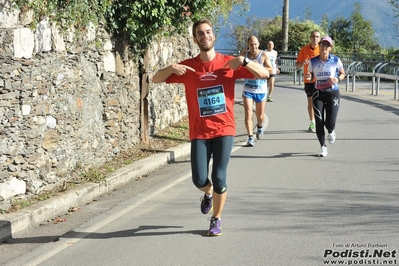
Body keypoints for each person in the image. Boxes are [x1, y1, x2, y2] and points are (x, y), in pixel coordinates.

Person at [152, 19, 269, 236]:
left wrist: (243, 61)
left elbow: (263, 74)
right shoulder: (188, 68)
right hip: (199, 131)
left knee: (220, 176)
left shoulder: (229, 63)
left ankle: (216, 218)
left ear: (213, 36)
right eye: (200, 33)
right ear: (195, 39)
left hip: (225, 129)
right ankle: (208, 194)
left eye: (208, 32)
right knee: (199, 179)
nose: (205, 35)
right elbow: (156, 79)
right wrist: (171, 68)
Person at [306, 36, 345, 157]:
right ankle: (323, 146)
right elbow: (310, 74)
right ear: (320, 46)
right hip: (318, 93)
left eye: (327, 45)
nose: (324, 47)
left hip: (333, 93)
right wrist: (309, 76)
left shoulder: (336, 60)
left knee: (330, 122)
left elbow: (343, 73)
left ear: (330, 47)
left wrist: (337, 79)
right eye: (322, 45)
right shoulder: (313, 61)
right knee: (319, 121)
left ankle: (331, 130)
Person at [240, 36, 273, 146]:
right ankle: (250, 137)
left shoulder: (263, 55)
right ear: (248, 45)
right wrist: (246, 66)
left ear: (258, 44)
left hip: (260, 90)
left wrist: (259, 67)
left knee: (260, 116)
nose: (253, 47)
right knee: (248, 113)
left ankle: (259, 126)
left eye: (255, 44)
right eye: (251, 44)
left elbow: (270, 69)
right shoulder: (244, 54)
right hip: (248, 89)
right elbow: (238, 66)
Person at [296, 30, 321, 133]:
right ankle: (312, 122)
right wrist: (303, 62)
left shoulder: (322, 49)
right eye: (313, 36)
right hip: (308, 79)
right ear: (310, 38)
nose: (315, 38)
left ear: (319, 39)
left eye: (317, 37)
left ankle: (320, 121)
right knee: (310, 101)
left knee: (320, 101)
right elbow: (297, 65)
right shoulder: (304, 50)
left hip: (320, 79)